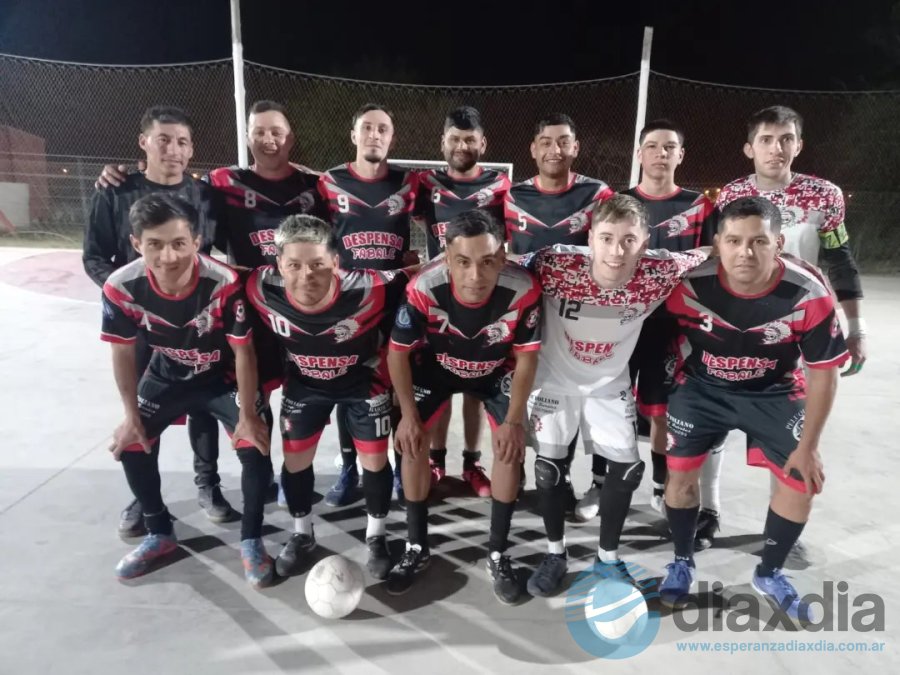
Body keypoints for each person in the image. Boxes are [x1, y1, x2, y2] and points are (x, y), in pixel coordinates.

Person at [659, 196, 848, 623]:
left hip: (775, 392)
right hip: (701, 388)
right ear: (717, 243)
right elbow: (652, 337)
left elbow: (824, 374)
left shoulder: (809, 292)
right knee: (679, 476)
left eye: (759, 241)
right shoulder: (686, 283)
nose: (745, 252)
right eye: (734, 240)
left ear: (778, 243)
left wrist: (810, 446)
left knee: (802, 480)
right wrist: (654, 404)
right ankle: (682, 561)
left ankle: (770, 572)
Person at [524, 194, 709, 596]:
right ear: (590, 239)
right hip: (554, 380)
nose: (615, 251)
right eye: (606, 238)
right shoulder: (553, 263)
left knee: (627, 470)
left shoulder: (660, 270)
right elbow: (497, 267)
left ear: (645, 243)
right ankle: (555, 554)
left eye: (628, 240)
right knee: (548, 471)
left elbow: (713, 253)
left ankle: (607, 557)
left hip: (609, 384)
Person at [713, 105, 868, 555]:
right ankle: (709, 510)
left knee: (792, 432)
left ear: (799, 145)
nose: (776, 148)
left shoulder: (825, 196)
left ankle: (780, 520)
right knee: (715, 417)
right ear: (749, 148)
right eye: (766, 139)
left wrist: (855, 327)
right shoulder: (730, 196)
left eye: (786, 139)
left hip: (800, 326)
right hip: (738, 321)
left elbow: (840, 261)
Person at [101, 193, 273, 587]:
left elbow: (243, 351)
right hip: (167, 373)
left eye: (179, 244)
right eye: (154, 245)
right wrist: (130, 417)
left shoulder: (224, 282)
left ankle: (251, 539)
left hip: (224, 375)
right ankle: (158, 533)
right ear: (136, 244)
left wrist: (248, 415)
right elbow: (123, 355)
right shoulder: (120, 287)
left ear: (196, 242)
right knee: (131, 442)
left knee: (256, 442)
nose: (168, 257)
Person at [84, 105, 230, 538]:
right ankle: (144, 497)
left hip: (199, 322)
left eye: (182, 141)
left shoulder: (205, 195)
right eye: (163, 139)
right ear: (143, 142)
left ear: (191, 150)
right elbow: (94, 257)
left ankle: (209, 485)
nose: (173, 149)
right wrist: (129, 301)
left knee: (203, 400)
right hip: (141, 325)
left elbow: (221, 250)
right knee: (147, 409)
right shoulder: (115, 190)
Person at [245, 214, 413, 579]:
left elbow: (414, 276)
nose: (307, 275)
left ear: (336, 263)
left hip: (363, 383)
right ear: (278, 265)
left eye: (318, 264)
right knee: (294, 463)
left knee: (374, 462)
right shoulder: (259, 288)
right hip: (305, 384)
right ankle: (302, 534)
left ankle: (377, 536)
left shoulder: (371, 287)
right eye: (294, 265)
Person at [387, 209, 542, 603]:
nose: (476, 275)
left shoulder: (524, 289)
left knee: (510, 449)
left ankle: (498, 551)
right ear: (445, 258)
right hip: (436, 368)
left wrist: (513, 421)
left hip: (494, 371)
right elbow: (397, 354)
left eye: (488, 261)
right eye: (464, 262)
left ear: (503, 258)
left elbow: (527, 358)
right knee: (410, 443)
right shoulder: (424, 286)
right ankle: (417, 546)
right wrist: (406, 416)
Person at [610, 119, 721, 551]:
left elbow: (714, 254)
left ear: (680, 155)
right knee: (611, 400)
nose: (660, 153)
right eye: (652, 146)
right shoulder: (617, 201)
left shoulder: (699, 207)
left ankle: (660, 485)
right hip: (621, 319)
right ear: (639, 154)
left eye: (669, 147)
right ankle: (603, 482)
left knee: (661, 412)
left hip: (674, 326)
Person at [504, 112, 615, 509]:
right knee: (533, 397)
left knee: (583, 399)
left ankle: (586, 480)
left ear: (575, 147)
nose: (555, 149)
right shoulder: (512, 196)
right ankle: (521, 471)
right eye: (547, 142)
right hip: (528, 315)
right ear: (533, 149)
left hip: (582, 317)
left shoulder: (598, 193)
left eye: (563, 141)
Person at [318, 103, 420, 507]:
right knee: (349, 386)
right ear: (354, 135)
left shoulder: (410, 183)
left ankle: (396, 467)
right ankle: (349, 469)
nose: (374, 135)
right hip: (347, 304)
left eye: (383, 129)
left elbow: (453, 203)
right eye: (367, 128)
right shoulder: (327, 183)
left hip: (396, 300)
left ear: (391, 138)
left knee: (396, 388)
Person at [413, 105, 511, 497]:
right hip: (438, 297)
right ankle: (437, 461)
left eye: (470, 139)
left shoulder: (500, 185)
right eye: (454, 138)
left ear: (482, 143)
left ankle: (472, 463)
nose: (462, 145)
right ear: (443, 142)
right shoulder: (426, 184)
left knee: (474, 384)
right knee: (440, 383)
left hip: (482, 295)